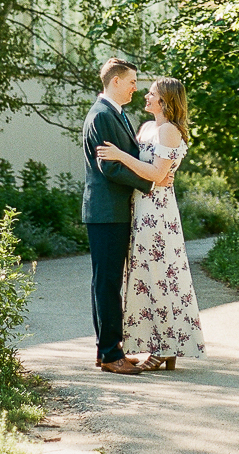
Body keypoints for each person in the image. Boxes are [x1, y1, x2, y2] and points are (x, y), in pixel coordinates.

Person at [95, 76, 206, 372]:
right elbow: (148, 171)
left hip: (158, 213)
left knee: (161, 275)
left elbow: (158, 175)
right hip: (139, 208)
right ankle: (156, 344)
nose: (145, 95)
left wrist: (119, 156)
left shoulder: (169, 131)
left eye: (152, 93)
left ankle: (167, 346)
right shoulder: (145, 128)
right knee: (143, 276)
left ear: (165, 100)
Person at [81, 57, 172, 376]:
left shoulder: (116, 113)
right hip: (106, 211)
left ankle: (108, 349)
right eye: (132, 81)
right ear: (115, 81)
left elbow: (127, 157)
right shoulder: (102, 114)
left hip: (116, 211)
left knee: (108, 281)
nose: (136, 87)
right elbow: (111, 166)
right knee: (106, 282)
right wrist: (151, 181)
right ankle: (109, 353)